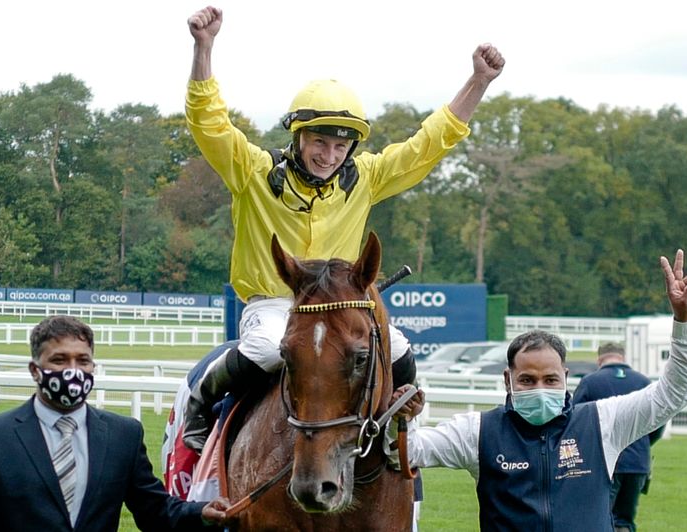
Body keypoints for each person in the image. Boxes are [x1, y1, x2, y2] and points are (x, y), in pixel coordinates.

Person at [181, 5, 506, 451]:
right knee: (268, 348)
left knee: (399, 349)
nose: (329, 155)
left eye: (339, 146)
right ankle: (200, 403)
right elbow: (209, 125)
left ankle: (394, 431)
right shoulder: (252, 171)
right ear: (297, 137)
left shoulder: (367, 177)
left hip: (341, 305)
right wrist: (204, 48)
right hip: (274, 304)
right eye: (319, 141)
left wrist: (478, 82)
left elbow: (428, 145)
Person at [390, 249, 687, 531]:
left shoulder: (603, 422)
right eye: (527, 380)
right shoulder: (479, 432)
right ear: (507, 380)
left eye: (551, 380)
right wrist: (402, 419)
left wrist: (685, 321)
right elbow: (405, 452)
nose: (540, 388)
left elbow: (674, 393)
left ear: (566, 377)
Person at [0, 315, 229, 531]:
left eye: (83, 361)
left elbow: (155, 511)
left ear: (93, 367)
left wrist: (201, 511)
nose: (73, 371)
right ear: (34, 369)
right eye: (59, 360)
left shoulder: (123, 436)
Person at [573, 343, 665, 532]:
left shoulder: (590, 382)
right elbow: (658, 422)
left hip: (603, 462)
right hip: (637, 462)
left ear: (600, 360)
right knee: (625, 520)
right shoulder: (643, 382)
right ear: (622, 358)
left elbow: (575, 423)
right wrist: (643, 444)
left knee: (599, 519)